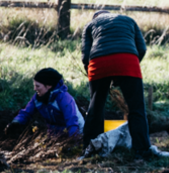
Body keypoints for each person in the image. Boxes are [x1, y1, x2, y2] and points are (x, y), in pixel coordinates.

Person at [81, 10, 150, 157]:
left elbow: (85, 56)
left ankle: (90, 148)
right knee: (136, 108)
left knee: (96, 107)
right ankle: (142, 150)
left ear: (96, 17)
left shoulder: (90, 25)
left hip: (99, 62)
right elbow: (142, 49)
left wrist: (94, 76)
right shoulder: (129, 20)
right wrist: (128, 67)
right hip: (127, 60)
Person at [9, 68, 84, 136]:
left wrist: (74, 144)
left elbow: (72, 123)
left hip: (76, 133)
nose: (35, 89)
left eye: (38, 86)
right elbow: (26, 113)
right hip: (54, 134)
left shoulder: (64, 98)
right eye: (34, 85)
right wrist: (16, 122)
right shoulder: (37, 97)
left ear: (49, 86)